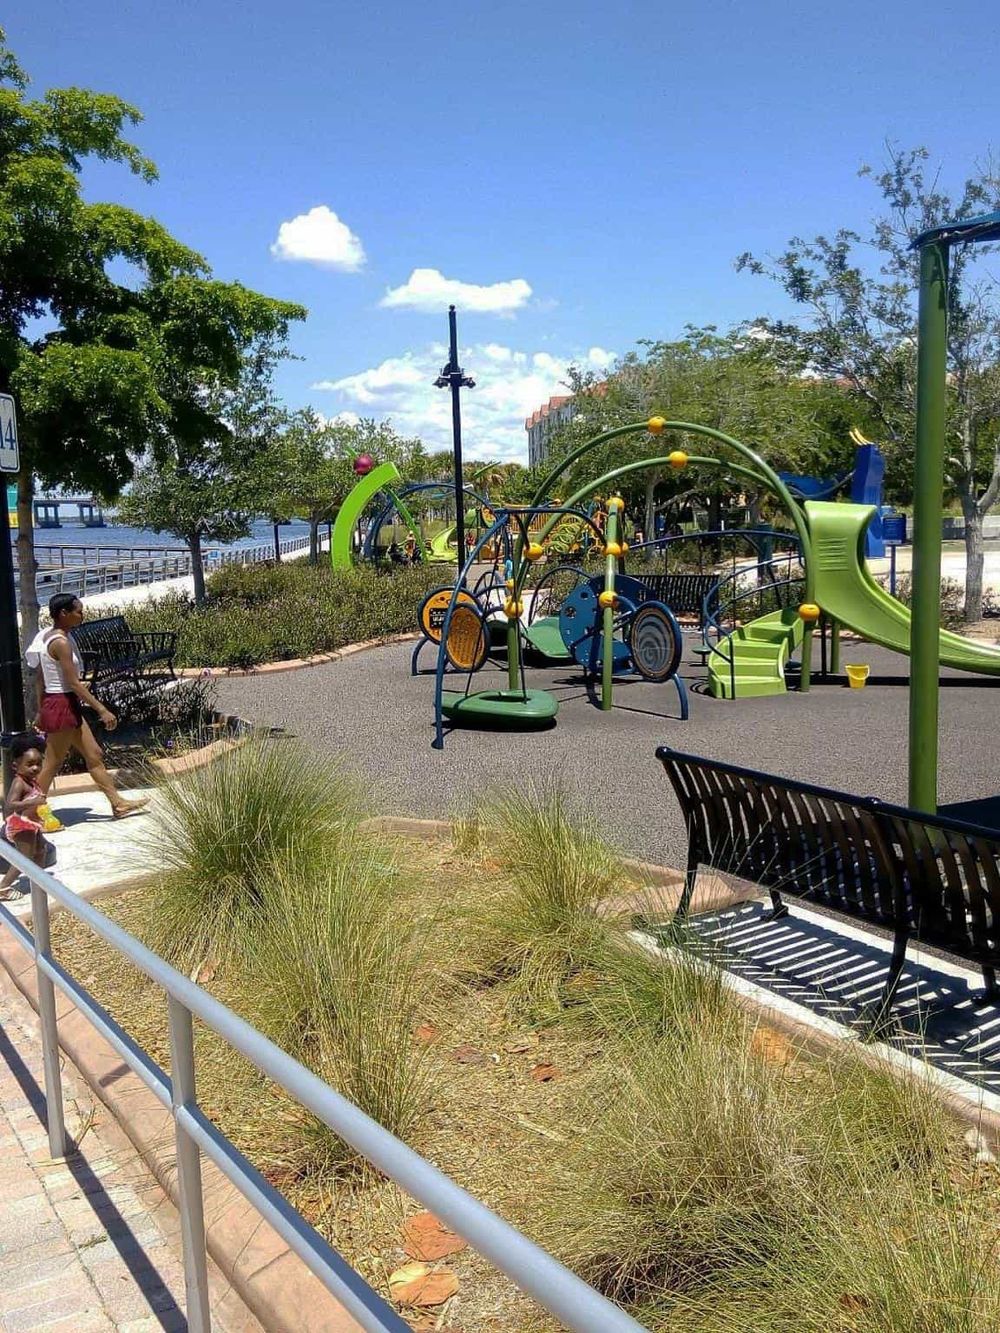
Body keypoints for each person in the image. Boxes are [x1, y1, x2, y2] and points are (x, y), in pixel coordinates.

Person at [25, 594, 148, 820]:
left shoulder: (51, 637)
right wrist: (101, 709)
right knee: (52, 763)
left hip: (64, 704)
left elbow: (40, 679)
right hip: (61, 704)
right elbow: (73, 683)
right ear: (64, 613)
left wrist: (42, 709)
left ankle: (118, 804)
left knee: (94, 754)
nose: (82, 615)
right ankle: (30, 813)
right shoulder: (60, 642)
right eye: (78, 611)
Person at [0, 737, 48, 900]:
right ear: (16, 765)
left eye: (38, 763)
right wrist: (34, 801)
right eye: (30, 764)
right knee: (24, 858)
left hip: (31, 823)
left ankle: (40, 880)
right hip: (21, 825)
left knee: (41, 849)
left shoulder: (31, 781)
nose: (35, 768)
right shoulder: (19, 783)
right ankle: (3, 887)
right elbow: (10, 804)